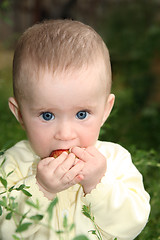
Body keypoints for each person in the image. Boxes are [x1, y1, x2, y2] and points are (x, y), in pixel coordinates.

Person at [0, 19, 150, 240]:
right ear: (20, 114)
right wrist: (40, 189)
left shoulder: (115, 161)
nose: (65, 134)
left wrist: (99, 183)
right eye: (47, 115)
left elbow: (132, 223)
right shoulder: (11, 165)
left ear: (105, 110)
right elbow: (5, 228)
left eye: (81, 114)